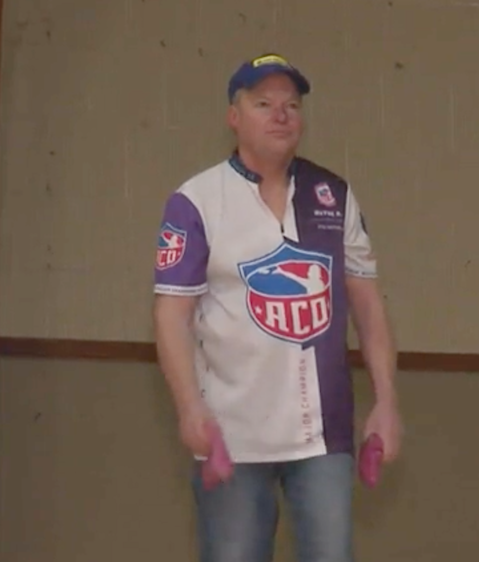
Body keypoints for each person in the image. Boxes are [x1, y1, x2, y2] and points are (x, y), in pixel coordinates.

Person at [151, 53, 401, 562]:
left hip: (322, 437)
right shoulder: (196, 201)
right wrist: (187, 406)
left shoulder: (333, 196)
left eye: (291, 104)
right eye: (263, 103)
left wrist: (387, 401)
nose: (281, 114)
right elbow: (171, 316)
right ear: (234, 116)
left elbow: (370, 311)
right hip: (231, 435)